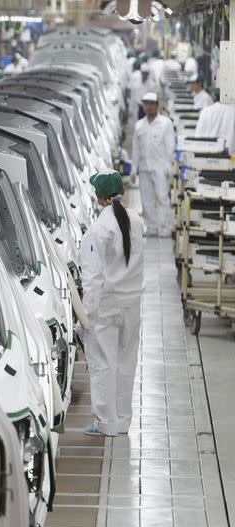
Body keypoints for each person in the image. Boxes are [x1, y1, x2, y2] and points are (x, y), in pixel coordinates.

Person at [80, 170, 145, 437]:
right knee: (126, 361)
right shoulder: (136, 221)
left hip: (106, 306)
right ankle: (123, 420)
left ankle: (106, 423)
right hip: (131, 303)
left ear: (98, 197)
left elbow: (93, 277)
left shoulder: (99, 228)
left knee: (104, 363)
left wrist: (87, 315)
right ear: (123, 192)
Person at [132, 92, 176, 237]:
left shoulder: (165, 123)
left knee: (163, 197)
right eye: (146, 104)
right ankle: (151, 226)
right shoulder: (139, 125)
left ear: (157, 105)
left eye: (151, 104)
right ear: (143, 106)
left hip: (160, 167)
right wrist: (133, 169)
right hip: (144, 167)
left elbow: (170, 145)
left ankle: (166, 227)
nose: (149, 107)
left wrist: (169, 165)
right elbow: (135, 148)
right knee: (147, 199)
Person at [195, 88, 235, 155]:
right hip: (231, 160)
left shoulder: (206, 111)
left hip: (206, 158)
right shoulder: (233, 111)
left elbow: (198, 137)